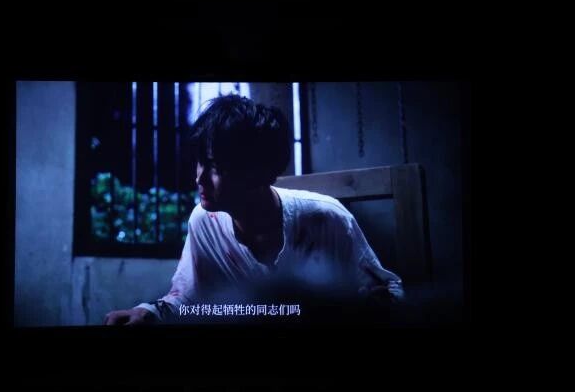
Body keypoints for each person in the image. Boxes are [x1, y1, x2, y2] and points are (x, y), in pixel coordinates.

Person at [104, 94, 403, 325]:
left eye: (215, 166)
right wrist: (147, 312)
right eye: (200, 162)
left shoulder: (326, 218)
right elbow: (188, 297)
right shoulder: (205, 221)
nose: (199, 178)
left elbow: (387, 292)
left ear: (258, 173)